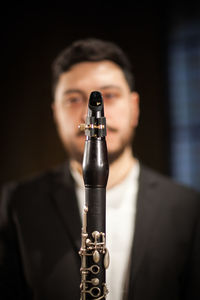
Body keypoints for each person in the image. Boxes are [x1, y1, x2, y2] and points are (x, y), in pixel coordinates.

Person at [0, 38, 200, 300]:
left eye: (110, 95)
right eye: (73, 99)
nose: (91, 114)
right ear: (55, 113)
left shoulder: (189, 206)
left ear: (135, 107)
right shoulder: (13, 203)